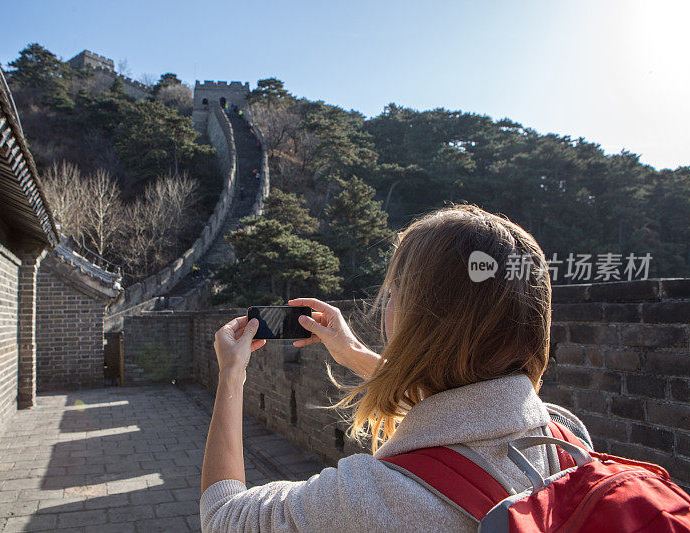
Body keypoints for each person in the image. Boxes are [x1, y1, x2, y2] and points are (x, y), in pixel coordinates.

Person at [200, 203, 591, 532]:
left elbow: (222, 516)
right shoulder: (567, 439)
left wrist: (232, 376)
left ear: (423, 319)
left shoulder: (375, 499)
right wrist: (351, 350)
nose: (387, 304)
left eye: (394, 292)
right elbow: (459, 409)